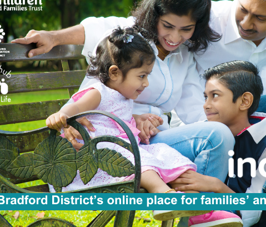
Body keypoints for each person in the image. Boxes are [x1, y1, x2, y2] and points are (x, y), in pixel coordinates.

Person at [14, 0, 266, 225]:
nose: (245, 21)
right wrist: (54, 35)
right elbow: (108, 28)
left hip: (256, 132)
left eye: (260, 17)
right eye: (243, 9)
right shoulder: (184, 24)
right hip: (164, 135)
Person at [13, 0, 236, 189]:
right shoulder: (128, 41)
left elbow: (193, 110)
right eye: (167, 25)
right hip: (117, 139)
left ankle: (202, 211)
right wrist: (53, 37)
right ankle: (203, 212)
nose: (175, 37)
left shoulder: (184, 55)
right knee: (217, 136)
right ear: (154, 15)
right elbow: (93, 29)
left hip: (154, 139)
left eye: (186, 29)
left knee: (219, 133)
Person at [45, 27, 242, 225]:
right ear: (114, 73)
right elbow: (74, 107)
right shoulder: (97, 92)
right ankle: (162, 195)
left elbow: (113, 117)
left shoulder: (122, 96)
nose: (146, 83)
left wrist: (137, 117)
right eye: (142, 76)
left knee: (168, 157)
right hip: (98, 160)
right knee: (141, 161)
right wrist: (61, 116)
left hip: (122, 151)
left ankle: (198, 212)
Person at [171, 60, 266, 227]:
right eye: (205, 97)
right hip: (218, 217)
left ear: (244, 101)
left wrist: (216, 186)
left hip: (263, 220)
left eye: (215, 96)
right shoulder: (204, 134)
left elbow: (251, 213)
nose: (206, 105)